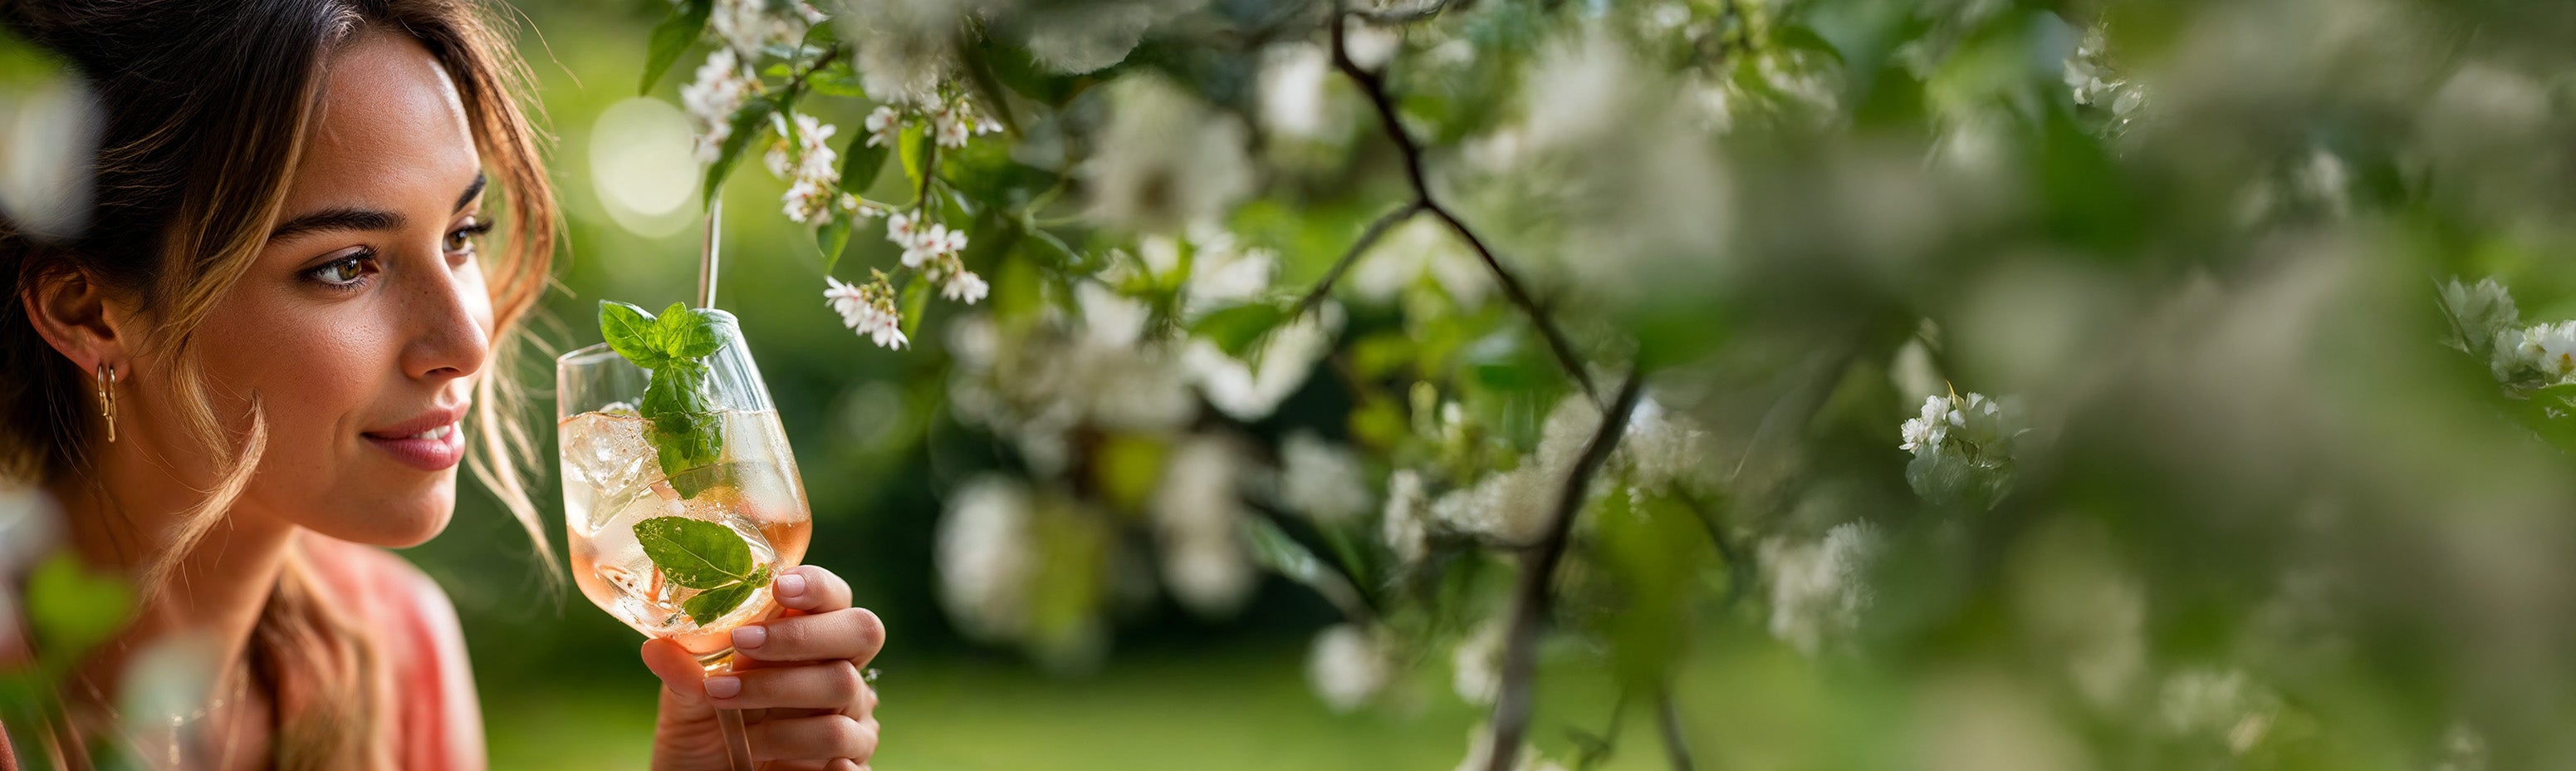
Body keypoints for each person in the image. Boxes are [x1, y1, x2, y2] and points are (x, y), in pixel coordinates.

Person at [0, 1, 884, 769]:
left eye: (464, 232)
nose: (466, 339)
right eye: (348, 265)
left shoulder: (395, 651)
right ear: (88, 312)